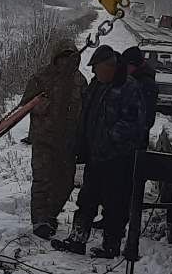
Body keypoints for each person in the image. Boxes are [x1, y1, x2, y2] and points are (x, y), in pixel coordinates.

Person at [59, 44, 146, 258]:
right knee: (86, 200)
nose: (94, 72)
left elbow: (136, 124)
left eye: (97, 68)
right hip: (95, 157)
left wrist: (109, 139)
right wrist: (82, 143)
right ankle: (77, 240)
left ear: (110, 66)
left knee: (114, 205)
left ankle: (111, 246)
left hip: (118, 158)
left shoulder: (129, 88)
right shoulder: (96, 85)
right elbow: (87, 117)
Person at [20, 37, 85, 239]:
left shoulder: (80, 81)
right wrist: (38, 105)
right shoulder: (42, 78)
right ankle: (40, 221)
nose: (66, 62)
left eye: (70, 58)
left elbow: (85, 111)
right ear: (55, 58)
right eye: (62, 57)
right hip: (44, 139)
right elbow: (25, 104)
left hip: (68, 142)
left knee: (65, 183)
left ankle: (50, 215)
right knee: (42, 180)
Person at [121, 45, 159, 137]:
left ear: (133, 65)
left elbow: (147, 119)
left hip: (135, 141)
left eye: (125, 65)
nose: (123, 69)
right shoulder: (134, 79)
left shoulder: (146, 85)